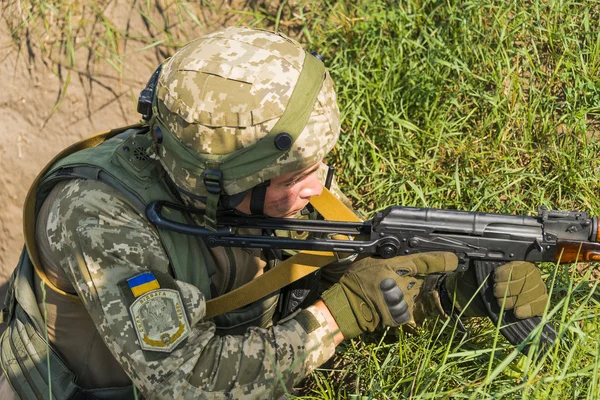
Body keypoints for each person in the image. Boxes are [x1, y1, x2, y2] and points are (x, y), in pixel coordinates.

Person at [0, 26, 549, 399]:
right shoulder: (97, 220)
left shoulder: (254, 189)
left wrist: (454, 289)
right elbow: (184, 381)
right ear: (216, 178)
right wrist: (336, 319)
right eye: (292, 177)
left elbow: (353, 277)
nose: (318, 189)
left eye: (319, 164)